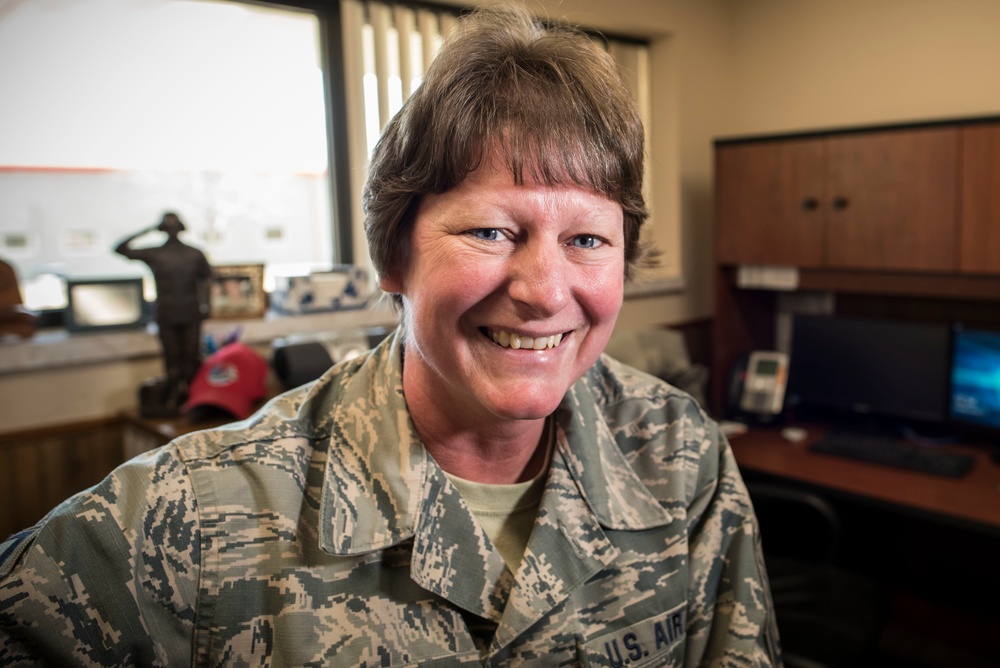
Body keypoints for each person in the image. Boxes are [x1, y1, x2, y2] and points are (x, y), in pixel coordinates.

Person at [0, 6, 781, 666]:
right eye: (489, 230)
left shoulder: (680, 456)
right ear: (393, 255)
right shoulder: (201, 514)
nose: (545, 292)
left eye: (587, 240)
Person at [114, 212, 213, 412]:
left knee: (191, 356)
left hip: (190, 310)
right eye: (167, 226)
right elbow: (120, 249)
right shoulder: (155, 253)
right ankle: (174, 395)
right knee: (171, 356)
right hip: (166, 312)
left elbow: (208, 279)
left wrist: (206, 304)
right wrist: (148, 229)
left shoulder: (194, 253)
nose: (171, 229)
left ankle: (193, 396)